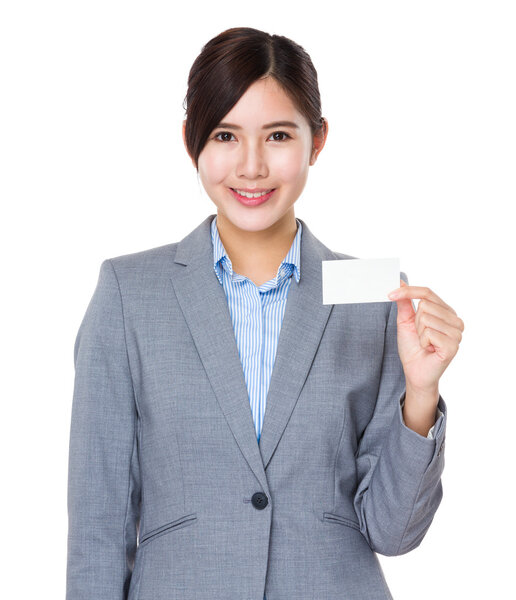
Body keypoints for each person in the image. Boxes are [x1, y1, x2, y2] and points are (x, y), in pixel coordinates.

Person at [66, 26, 464, 600]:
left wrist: (421, 396)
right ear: (191, 142)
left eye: (278, 135)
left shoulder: (377, 299)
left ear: (317, 141)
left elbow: (393, 531)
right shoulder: (129, 294)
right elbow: (97, 528)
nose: (250, 167)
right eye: (226, 135)